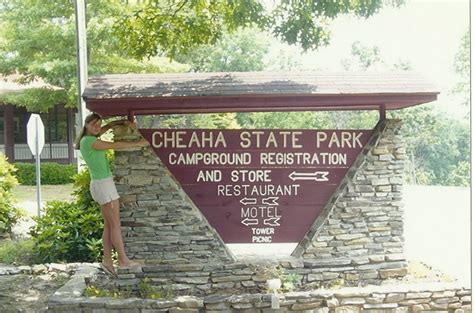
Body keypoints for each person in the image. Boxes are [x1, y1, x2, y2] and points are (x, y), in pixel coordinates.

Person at [74, 112, 149, 276]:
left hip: (101, 184)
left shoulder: (88, 139)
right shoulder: (90, 141)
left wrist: (118, 121)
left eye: (99, 124)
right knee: (115, 225)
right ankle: (123, 260)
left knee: (109, 225)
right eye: (94, 124)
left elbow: (105, 128)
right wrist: (140, 143)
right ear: (86, 124)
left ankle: (108, 261)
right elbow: (116, 145)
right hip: (103, 185)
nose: (97, 127)